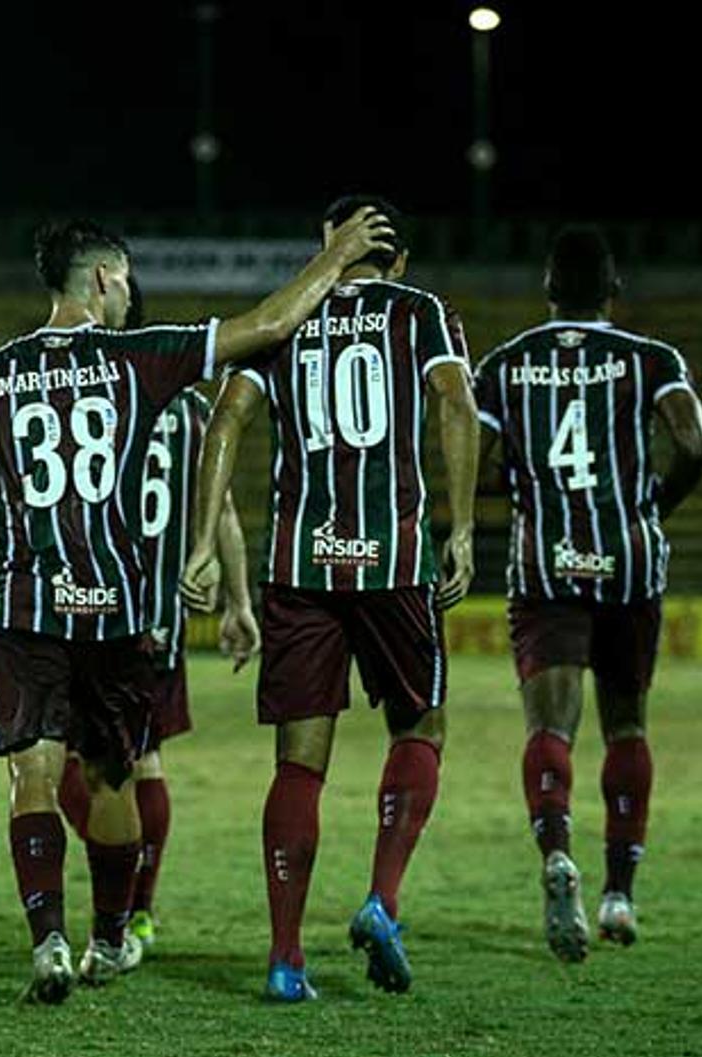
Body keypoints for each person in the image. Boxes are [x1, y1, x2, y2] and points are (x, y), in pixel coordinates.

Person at [0, 210, 395, 1004]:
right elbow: (271, 323)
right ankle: (111, 935)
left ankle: (48, 943)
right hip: (112, 610)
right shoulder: (140, 357)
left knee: (31, 775)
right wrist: (340, 254)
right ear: (105, 278)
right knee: (113, 781)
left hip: (27, 602)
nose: (128, 292)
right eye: (126, 279)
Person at [182, 196, 480, 1002]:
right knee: (421, 723)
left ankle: (285, 959)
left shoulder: (286, 315)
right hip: (394, 562)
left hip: (297, 565)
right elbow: (456, 402)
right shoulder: (421, 312)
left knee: (299, 763)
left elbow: (225, 422)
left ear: (333, 248)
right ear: (401, 262)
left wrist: (204, 540)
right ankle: (383, 898)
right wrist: (460, 529)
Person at [471, 225, 702, 960]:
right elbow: (696, 443)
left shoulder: (506, 364)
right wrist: (651, 509)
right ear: (615, 292)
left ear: (547, 293)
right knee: (627, 725)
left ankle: (555, 855)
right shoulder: (650, 360)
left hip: (544, 563)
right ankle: (618, 894)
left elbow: (466, 460)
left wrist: (513, 488)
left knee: (551, 725)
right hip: (629, 559)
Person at [54, 278, 260, 956]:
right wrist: (238, 600)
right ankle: (137, 909)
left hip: (91, 613)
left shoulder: (95, 396)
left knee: (76, 768)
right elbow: (222, 511)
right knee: (145, 760)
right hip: (161, 618)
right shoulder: (194, 411)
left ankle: (120, 898)